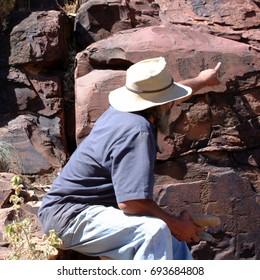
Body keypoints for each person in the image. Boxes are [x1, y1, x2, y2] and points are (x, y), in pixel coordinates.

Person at [38, 57, 222, 260]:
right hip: (70, 217)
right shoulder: (137, 130)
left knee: (170, 239)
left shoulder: (124, 111)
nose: (173, 104)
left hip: (81, 212)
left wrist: (202, 80)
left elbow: (169, 98)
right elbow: (131, 203)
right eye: (170, 101)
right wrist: (177, 225)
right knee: (153, 231)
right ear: (162, 105)